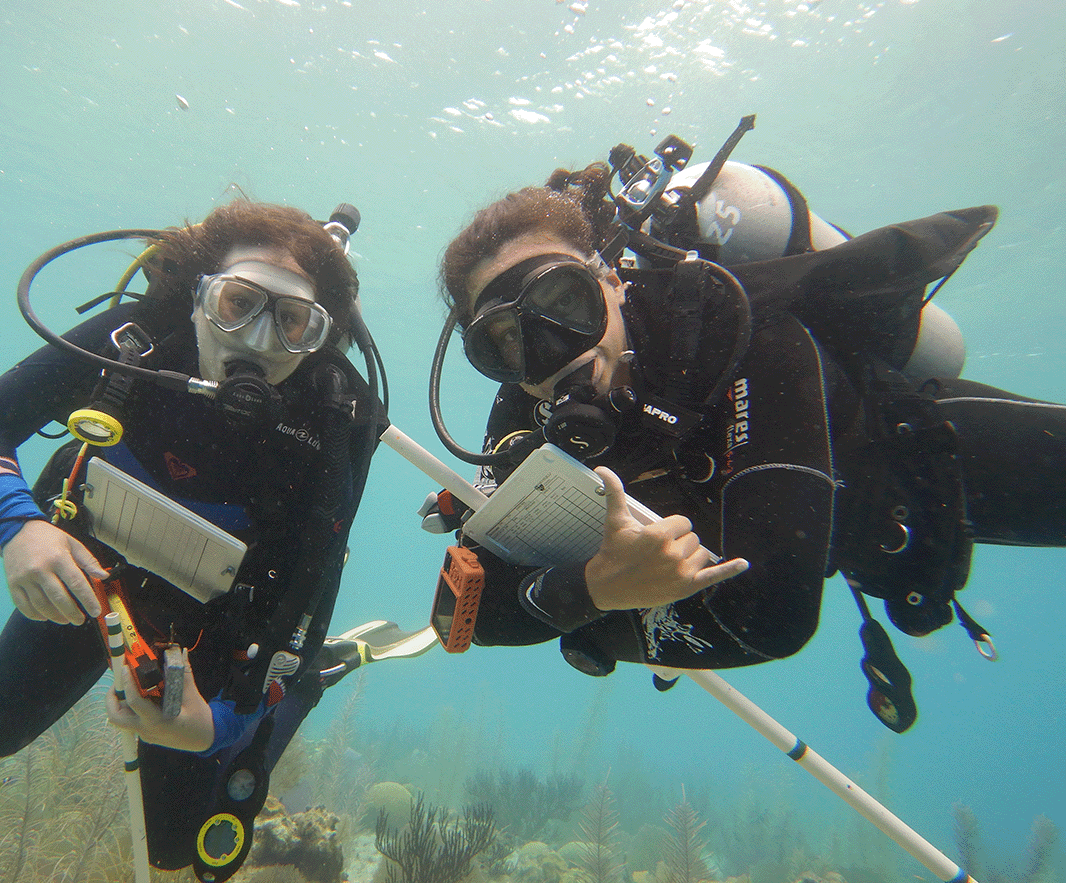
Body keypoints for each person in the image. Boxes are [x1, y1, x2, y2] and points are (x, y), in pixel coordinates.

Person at [428, 122, 1066, 731]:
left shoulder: (741, 332)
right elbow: (470, 613)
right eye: (507, 342)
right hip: (840, 548)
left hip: (928, 464)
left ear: (612, 281)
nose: (551, 352)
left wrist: (593, 603)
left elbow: (773, 616)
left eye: (565, 304)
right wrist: (595, 588)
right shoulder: (524, 412)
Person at [0, 199, 386, 874]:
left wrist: (229, 719)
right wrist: (19, 525)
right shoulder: (135, 337)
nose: (260, 341)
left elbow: (312, 582)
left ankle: (308, 682)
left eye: (292, 320)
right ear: (197, 296)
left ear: (317, 336)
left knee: (176, 848)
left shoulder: (335, 413)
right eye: (238, 303)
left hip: (213, 615)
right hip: (90, 568)